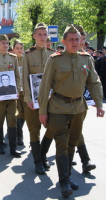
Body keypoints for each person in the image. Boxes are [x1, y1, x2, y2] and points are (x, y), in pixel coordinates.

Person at [38, 24, 104, 198]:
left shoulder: (86, 58)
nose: (76, 42)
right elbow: (44, 87)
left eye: (78, 39)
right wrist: (42, 111)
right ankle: (65, 181)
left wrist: (99, 103)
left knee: (72, 143)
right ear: (64, 41)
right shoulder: (55, 59)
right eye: (72, 40)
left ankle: (65, 177)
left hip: (78, 108)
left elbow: (94, 82)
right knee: (61, 142)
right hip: (58, 107)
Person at [22, 22, 55, 174]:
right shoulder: (28, 55)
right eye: (39, 34)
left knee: (53, 128)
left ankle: (42, 154)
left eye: (44, 34)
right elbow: (24, 78)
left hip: (50, 101)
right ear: (34, 36)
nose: (42, 37)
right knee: (34, 130)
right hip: (33, 102)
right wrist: (28, 98)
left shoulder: (53, 55)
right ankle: (37, 162)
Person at [0, 34, 21, 158]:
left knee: (12, 120)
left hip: (12, 96)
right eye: (3, 43)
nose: (5, 45)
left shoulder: (13, 58)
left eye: (7, 43)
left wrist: (17, 90)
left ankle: (13, 148)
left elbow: (18, 76)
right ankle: (0, 144)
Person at [12, 39, 26, 146]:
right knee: (17, 113)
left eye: (21, 48)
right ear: (13, 49)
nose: (20, 50)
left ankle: (15, 131)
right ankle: (19, 136)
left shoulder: (27, 60)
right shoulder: (11, 60)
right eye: (17, 48)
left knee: (24, 114)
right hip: (15, 91)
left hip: (25, 91)